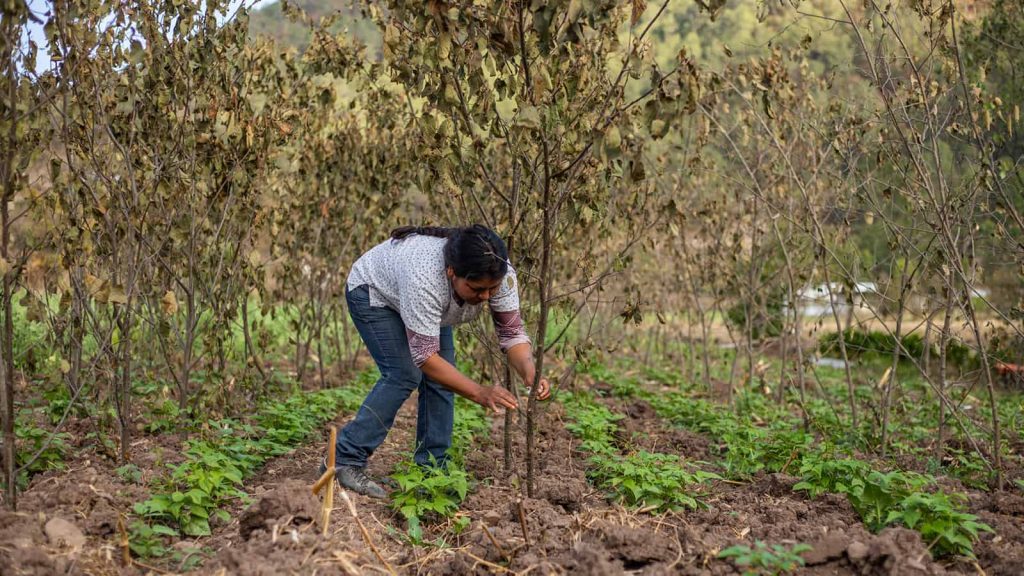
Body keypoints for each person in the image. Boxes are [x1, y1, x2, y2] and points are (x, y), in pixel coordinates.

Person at [321, 224, 551, 498]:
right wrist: (479, 392)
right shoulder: (424, 278)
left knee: (444, 380)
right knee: (403, 374)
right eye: (477, 289)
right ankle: (343, 460)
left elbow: (511, 332)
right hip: (374, 293)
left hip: (430, 306)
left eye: (493, 288)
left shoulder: (498, 271)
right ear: (452, 272)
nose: (486, 296)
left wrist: (529, 371)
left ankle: (431, 469)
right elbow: (426, 359)